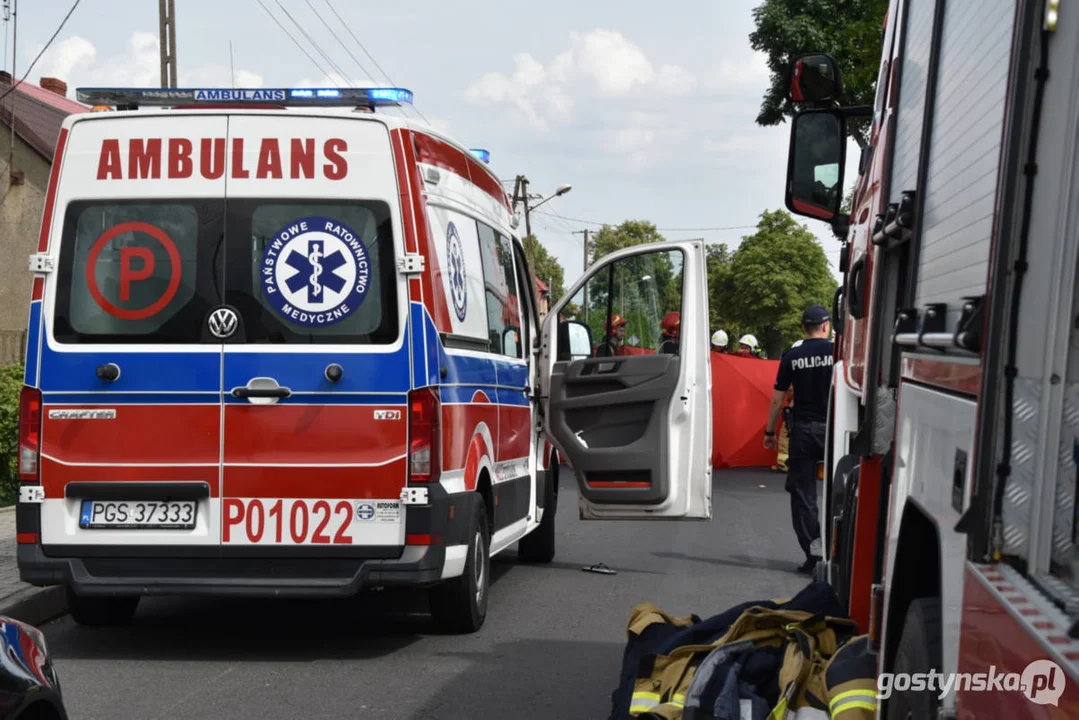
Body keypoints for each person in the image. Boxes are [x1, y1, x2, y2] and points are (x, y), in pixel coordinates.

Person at [763, 305, 834, 574]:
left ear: (803, 328)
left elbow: (778, 399)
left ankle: (813, 554)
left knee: (803, 494)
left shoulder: (792, 357)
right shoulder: (837, 353)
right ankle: (838, 552)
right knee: (841, 491)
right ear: (826, 326)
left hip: (803, 431)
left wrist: (770, 433)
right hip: (835, 428)